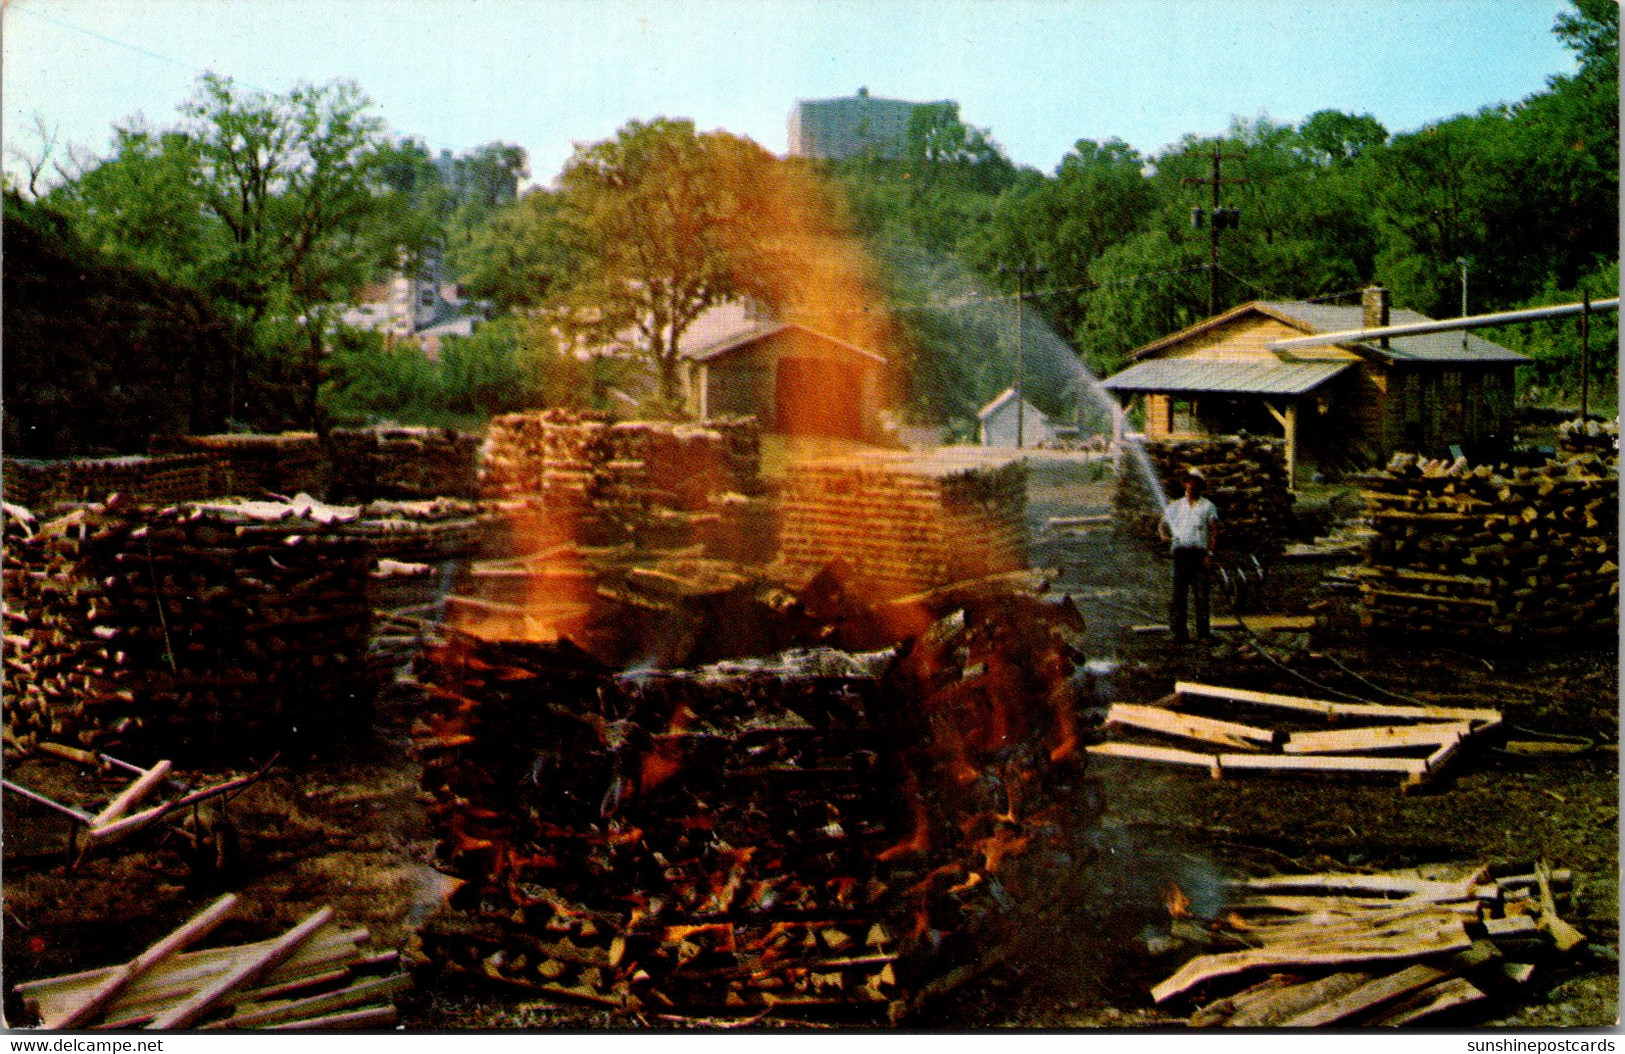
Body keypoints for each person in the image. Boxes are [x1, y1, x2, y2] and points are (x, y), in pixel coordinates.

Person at [1158, 469, 1220, 642]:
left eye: (1194, 489)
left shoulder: (1208, 506)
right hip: (1180, 554)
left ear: (1200, 489)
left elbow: (1215, 531)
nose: (1190, 492)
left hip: (1199, 554)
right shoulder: (1177, 506)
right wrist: (1163, 535)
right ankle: (1179, 633)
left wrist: (1211, 554)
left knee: (1201, 595)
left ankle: (1203, 634)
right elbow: (1161, 523)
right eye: (1188, 489)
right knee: (1178, 595)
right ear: (1185, 489)